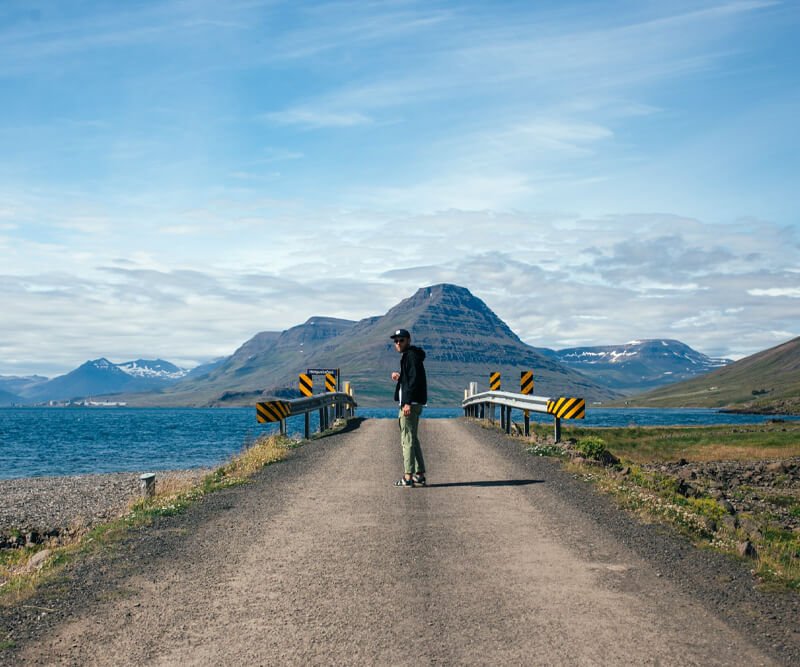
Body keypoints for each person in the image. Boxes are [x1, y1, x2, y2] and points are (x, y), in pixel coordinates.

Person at [390, 328, 428, 487]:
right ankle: (419, 474)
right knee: (413, 438)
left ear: (408, 340)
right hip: (414, 402)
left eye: (401, 340)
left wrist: (407, 403)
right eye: (396, 341)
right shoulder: (411, 356)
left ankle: (408, 477)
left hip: (410, 404)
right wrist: (400, 377)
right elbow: (411, 378)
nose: (398, 343)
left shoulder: (410, 357)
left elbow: (413, 381)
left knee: (407, 440)